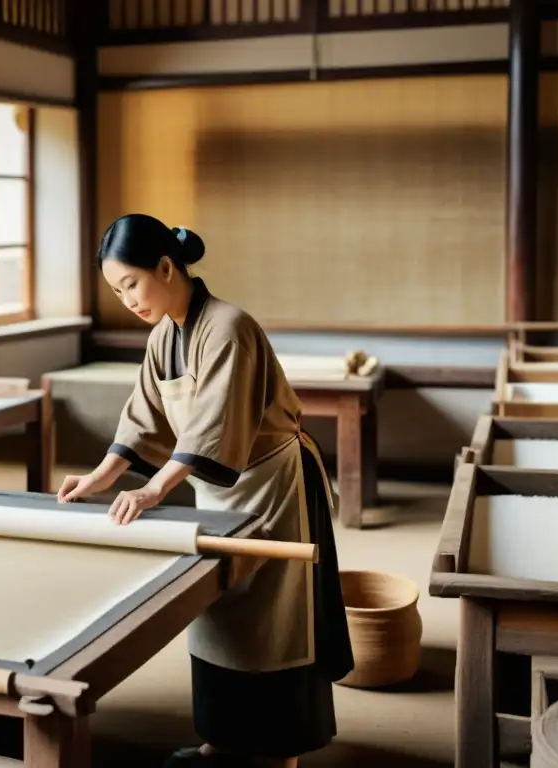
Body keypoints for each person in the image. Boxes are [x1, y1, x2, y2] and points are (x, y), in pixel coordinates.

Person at [56, 214, 355, 767]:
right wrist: (101, 476)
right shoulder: (163, 337)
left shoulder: (229, 327)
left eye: (131, 285)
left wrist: (154, 492)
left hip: (270, 489)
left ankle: (278, 753)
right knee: (216, 614)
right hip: (215, 492)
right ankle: (223, 739)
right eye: (117, 291)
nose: (127, 300)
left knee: (273, 626)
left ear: (166, 267)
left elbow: (209, 431)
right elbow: (143, 419)